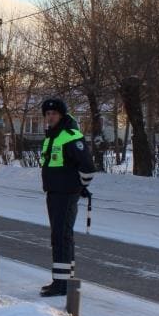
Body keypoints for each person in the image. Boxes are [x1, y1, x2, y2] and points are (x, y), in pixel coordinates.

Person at [39, 98, 95, 297]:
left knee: (61, 237)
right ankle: (63, 280)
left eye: (54, 113)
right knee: (61, 236)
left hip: (65, 194)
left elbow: (87, 166)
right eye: (47, 114)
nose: (50, 116)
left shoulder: (70, 136)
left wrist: (80, 186)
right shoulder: (52, 136)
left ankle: (61, 284)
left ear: (61, 115)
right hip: (54, 193)